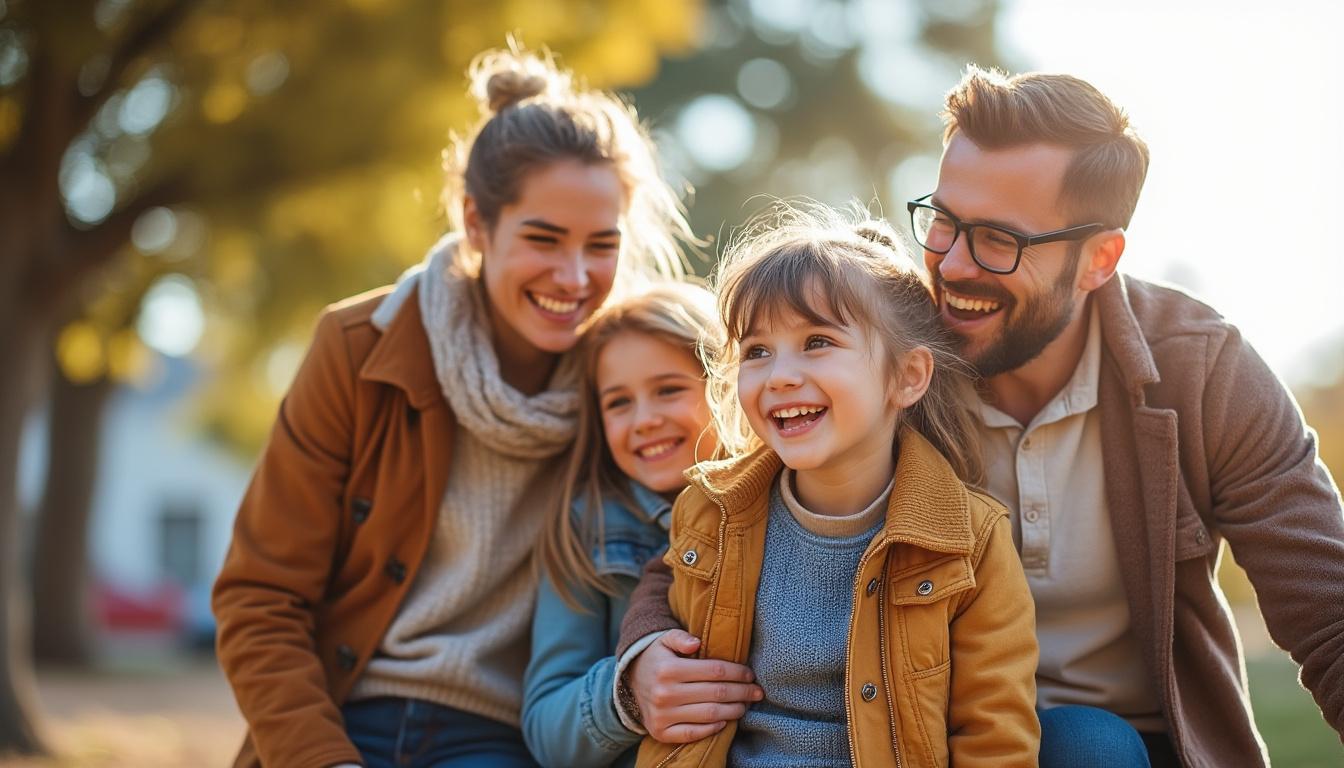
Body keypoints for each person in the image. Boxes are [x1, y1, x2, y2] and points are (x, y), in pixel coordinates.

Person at [618, 66, 1344, 768]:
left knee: (1089, 743)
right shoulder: (885, 353)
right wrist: (645, 656)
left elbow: (1328, 612)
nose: (954, 265)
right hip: (918, 735)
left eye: (1001, 240)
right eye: (943, 221)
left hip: (1124, 744)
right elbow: (715, 524)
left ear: (1099, 259)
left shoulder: (1200, 371)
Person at [211, 43, 697, 768]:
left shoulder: (629, 387)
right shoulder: (358, 348)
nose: (574, 276)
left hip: (504, 739)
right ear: (476, 224)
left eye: (602, 245)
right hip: (342, 720)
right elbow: (260, 598)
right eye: (543, 239)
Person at [630, 206, 1040, 767]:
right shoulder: (711, 509)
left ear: (907, 377)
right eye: (756, 352)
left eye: (818, 341)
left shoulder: (972, 543)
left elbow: (995, 737)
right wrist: (640, 653)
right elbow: (659, 590)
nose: (779, 376)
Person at [522, 283, 726, 768]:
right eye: (618, 403)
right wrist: (629, 695)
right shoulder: (587, 527)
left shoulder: (789, 499)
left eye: (669, 390)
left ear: (725, 380)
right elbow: (544, 725)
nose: (644, 420)